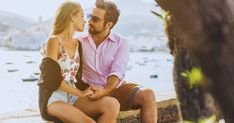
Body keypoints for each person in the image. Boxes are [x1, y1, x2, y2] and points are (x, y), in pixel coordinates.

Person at [38, 1, 119, 123]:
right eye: (82, 16)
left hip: (73, 97)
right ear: (73, 17)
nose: (86, 21)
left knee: (112, 104)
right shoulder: (54, 41)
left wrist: (90, 89)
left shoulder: (78, 44)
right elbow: (51, 79)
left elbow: (75, 78)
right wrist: (81, 93)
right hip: (54, 98)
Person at [78, 0, 158, 123]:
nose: (89, 21)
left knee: (148, 95)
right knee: (110, 108)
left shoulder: (121, 42)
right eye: (90, 16)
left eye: (95, 19)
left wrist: (105, 91)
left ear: (108, 24)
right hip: (90, 91)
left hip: (116, 88)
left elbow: (117, 71)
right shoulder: (79, 41)